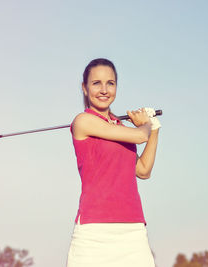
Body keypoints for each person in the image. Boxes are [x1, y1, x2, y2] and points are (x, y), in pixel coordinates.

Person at [66, 58, 160, 267]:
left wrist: (154, 128)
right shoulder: (83, 121)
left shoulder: (120, 127)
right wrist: (144, 126)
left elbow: (143, 171)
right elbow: (139, 136)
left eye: (110, 83)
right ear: (84, 87)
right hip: (93, 233)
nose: (104, 89)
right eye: (96, 83)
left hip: (132, 231)